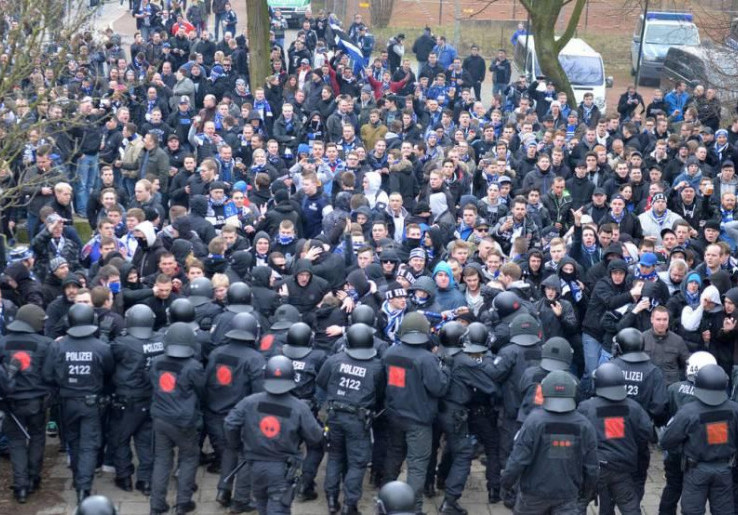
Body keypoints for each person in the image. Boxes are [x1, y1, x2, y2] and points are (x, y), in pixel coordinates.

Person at [223, 355, 324, 514]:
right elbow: (316, 437)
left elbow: (230, 423)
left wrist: (238, 447)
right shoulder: (299, 407)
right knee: (278, 510)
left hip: (255, 467)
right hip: (281, 470)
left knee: (262, 505)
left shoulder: (249, 402)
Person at [42, 304, 114, 504]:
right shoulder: (101, 346)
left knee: (73, 443)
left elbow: (47, 375)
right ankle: (83, 488)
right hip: (92, 403)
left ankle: (77, 480)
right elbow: (109, 373)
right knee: (89, 445)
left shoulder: (57, 345)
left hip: (66, 402)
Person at [501, 370, 599, 514]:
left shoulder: (534, 422)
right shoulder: (584, 425)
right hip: (568, 495)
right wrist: (586, 494)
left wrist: (506, 484)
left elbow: (517, 460)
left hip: (533, 497)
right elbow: (592, 467)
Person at [381, 312, 450, 513]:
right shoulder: (427, 359)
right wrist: (445, 369)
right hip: (418, 422)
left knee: (393, 458)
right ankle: (412, 507)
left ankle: (386, 498)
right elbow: (438, 388)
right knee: (417, 465)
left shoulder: (390, 353)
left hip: (394, 416)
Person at [317, 323, 385, 515]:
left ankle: (331, 499)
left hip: (334, 415)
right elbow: (380, 393)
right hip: (358, 419)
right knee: (357, 462)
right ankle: (350, 504)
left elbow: (321, 382)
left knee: (335, 456)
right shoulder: (376, 366)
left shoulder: (334, 360)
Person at [660, 364, 738, 514]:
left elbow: (667, 441)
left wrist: (683, 448)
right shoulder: (734, 410)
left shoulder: (689, 411)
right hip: (725, 470)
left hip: (696, 472)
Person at [578, 362, 653, 514]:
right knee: (630, 507)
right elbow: (647, 434)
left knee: (578, 504)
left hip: (595, 468)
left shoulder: (586, 408)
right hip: (622, 469)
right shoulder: (634, 407)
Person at [148, 322, 206, 515]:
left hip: (160, 418)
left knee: (162, 460)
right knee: (189, 458)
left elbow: (150, 382)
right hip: (184, 422)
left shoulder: (156, 362)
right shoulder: (194, 366)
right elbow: (202, 390)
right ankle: (183, 503)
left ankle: (157, 505)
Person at [109, 305, 165, 496]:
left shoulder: (122, 343)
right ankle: (145, 481)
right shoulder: (160, 340)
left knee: (120, 439)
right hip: (151, 397)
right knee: (146, 440)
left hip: (128, 399)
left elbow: (106, 359)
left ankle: (124, 477)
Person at [0, 305, 51, 503]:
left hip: (11, 403)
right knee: (37, 437)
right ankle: (33, 478)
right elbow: (50, 374)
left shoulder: (3, 343)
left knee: (17, 443)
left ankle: (20, 486)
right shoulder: (46, 344)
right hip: (37, 402)